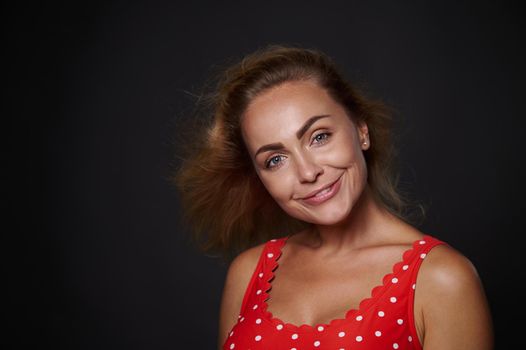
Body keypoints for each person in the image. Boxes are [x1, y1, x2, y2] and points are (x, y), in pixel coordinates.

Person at [174, 45, 493, 349]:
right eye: (275, 160)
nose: (307, 171)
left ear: (361, 130)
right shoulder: (248, 273)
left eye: (319, 137)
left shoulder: (441, 279)